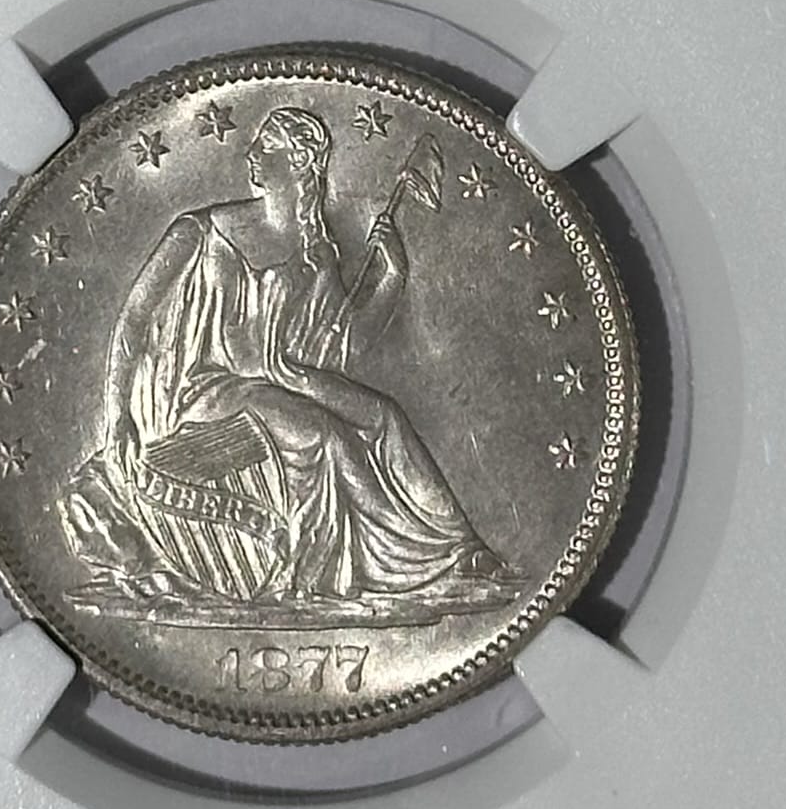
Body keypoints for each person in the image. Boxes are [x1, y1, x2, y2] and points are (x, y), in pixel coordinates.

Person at [59, 104, 517, 618]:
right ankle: (350, 571)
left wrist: (392, 277)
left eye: (266, 147)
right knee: (325, 435)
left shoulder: (315, 251)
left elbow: (348, 345)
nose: (251, 154)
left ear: (298, 162)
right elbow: (134, 318)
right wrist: (118, 414)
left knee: (384, 416)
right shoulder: (201, 231)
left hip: (284, 379)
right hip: (211, 389)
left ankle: (458, 549)